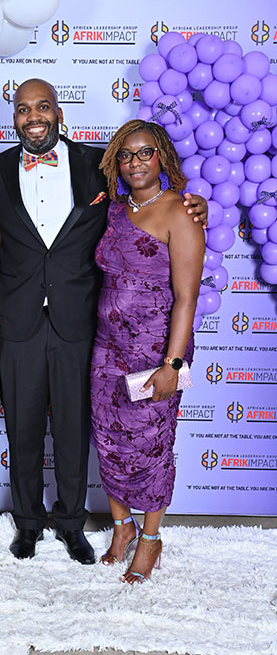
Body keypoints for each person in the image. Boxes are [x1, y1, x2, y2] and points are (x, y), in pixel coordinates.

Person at [0, 78, 208, 563]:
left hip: (80, 322)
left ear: (59, 114)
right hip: (18, 318)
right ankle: (27, 523)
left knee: (75, 428)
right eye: (23, 109)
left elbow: (152, 202)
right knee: (21, 426)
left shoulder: (99, 166)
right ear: (14, 117)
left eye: (43, 107)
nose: (33, 117)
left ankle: (71, 523)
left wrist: (197, 204)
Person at [91, 120, 205, 583]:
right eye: (126, 155)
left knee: (152, 446)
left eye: (144, 153)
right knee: (108, 439)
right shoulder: (114, 209)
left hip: (154, 353)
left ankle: (151, 538)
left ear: (163, 158)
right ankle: (122, 527)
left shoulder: (182, 212)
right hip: (107, 349)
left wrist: (172, 364)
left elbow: (187, 298)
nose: (134, 162)